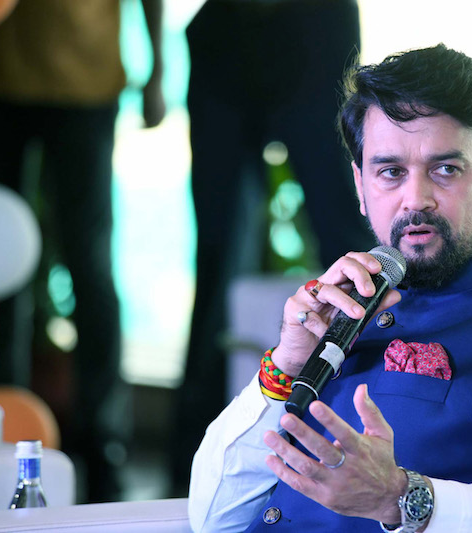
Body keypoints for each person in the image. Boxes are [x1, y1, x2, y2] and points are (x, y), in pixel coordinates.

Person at [188, 44, 472, 532]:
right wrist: (288, 366)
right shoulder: (346, 306)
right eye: (391, 172)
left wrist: (400, 498)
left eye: (445, 169)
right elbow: (213, 515)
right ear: (360, 187)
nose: (415, 199)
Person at [169, 0, 376, 495]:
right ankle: (197, 462)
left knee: (348, 250)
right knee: (217, 262)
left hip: (315, 27)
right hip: (227, 34)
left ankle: (375, 423)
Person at [0, 0, 165, 502]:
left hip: (87, 83)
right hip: (2, 82)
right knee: (2, 270)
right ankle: (5, 435)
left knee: (89, 268)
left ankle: (102, 445)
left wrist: (157, 67)